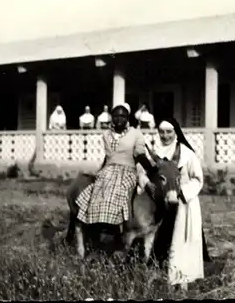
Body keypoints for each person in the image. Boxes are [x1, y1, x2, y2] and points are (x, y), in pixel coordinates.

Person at [137, 117, 211, 290]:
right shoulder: (154, 152)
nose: (165, 135)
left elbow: (198, 179)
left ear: (176, 132)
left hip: (184, 205)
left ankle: (182, 281)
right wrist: (146, 183)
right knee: (158, 241)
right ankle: (162, 280)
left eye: (169, 131)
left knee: (181, 241)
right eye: (161, 132)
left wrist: (181, 194)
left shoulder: (187, 153)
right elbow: (143, 172)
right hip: (160, 206)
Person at [75, 103, 154, 233]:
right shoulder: (106, 135)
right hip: (108, 169)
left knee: (117, 189)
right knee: (96, 190)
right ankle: (97, 223)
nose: (119, 119)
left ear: (127, 118)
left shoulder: (136, 134)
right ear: (111, 118)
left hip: (128, 170)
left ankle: (116, 224)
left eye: (123, 116)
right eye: (116, 116)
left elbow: (140, 155)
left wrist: (152, 168)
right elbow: (108, 157)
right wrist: (100, 170)